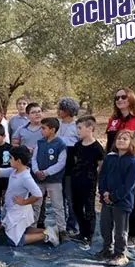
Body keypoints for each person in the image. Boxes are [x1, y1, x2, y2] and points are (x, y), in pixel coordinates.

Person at [0, 146, 60, 247]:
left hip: (18, 212)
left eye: (11, 158)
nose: (9, 160)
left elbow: (38, 194)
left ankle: (46, 236)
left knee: (14, 241)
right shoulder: (14, 171)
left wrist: (24, 202)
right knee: (24, 230)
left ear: (18, 160)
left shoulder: (25, 177)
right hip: (13, 209)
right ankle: (49, 230)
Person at [105, 88, 135, 249]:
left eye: (123, 97)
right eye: (117, 97)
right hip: (116, 164)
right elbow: (110, 144)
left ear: (131, 98)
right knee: (117, 194)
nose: (119, 100)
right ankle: (118, 230)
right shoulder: (113, 119)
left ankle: (133, 234)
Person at [98, 129, 135, 266]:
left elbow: (129, 185)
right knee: (105, 226)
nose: (120, 140)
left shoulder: (134, 163)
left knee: (120, 231)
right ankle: (106, 249)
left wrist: (114, 196)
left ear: (132, 143)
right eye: (119, 138)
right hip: (106, 200)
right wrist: (103, 192)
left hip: (122, 202)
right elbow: (103, 175)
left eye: (125, 139)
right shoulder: (110, 158)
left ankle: (120, 254)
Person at [70, 116, 106, 250]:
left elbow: (101, 165)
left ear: (90, 128)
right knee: (76, 207)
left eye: (80, 128)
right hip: (76, 181)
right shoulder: (77, 145)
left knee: (89, 210)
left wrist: (93, 176)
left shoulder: (97, 148)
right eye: (77, 128)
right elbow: (75, 160)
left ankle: (88, 237)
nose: (77, 131)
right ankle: (81, 232)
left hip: (89, 183)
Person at [31, 117, 67, 241]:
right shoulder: (39, 142)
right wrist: (36, 170)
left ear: (52, 130)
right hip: (38, 180)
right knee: (36, 204)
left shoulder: (60, 144)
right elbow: (34, 158)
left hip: (54, 180)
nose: (41, 130)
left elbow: (61, 163)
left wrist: (46, 172)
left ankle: (62, 230)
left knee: (58, 206)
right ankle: (32, 227)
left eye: (44, 128)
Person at [57, 97, 80, 235]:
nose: (58, 111)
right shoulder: (57, 124)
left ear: (67, 111)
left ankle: (73, 225)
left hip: (71, 165)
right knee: (59, 197)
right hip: (57, 165)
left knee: (70, 196)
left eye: (61, 108)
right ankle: (62, 223)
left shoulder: (77, 126)